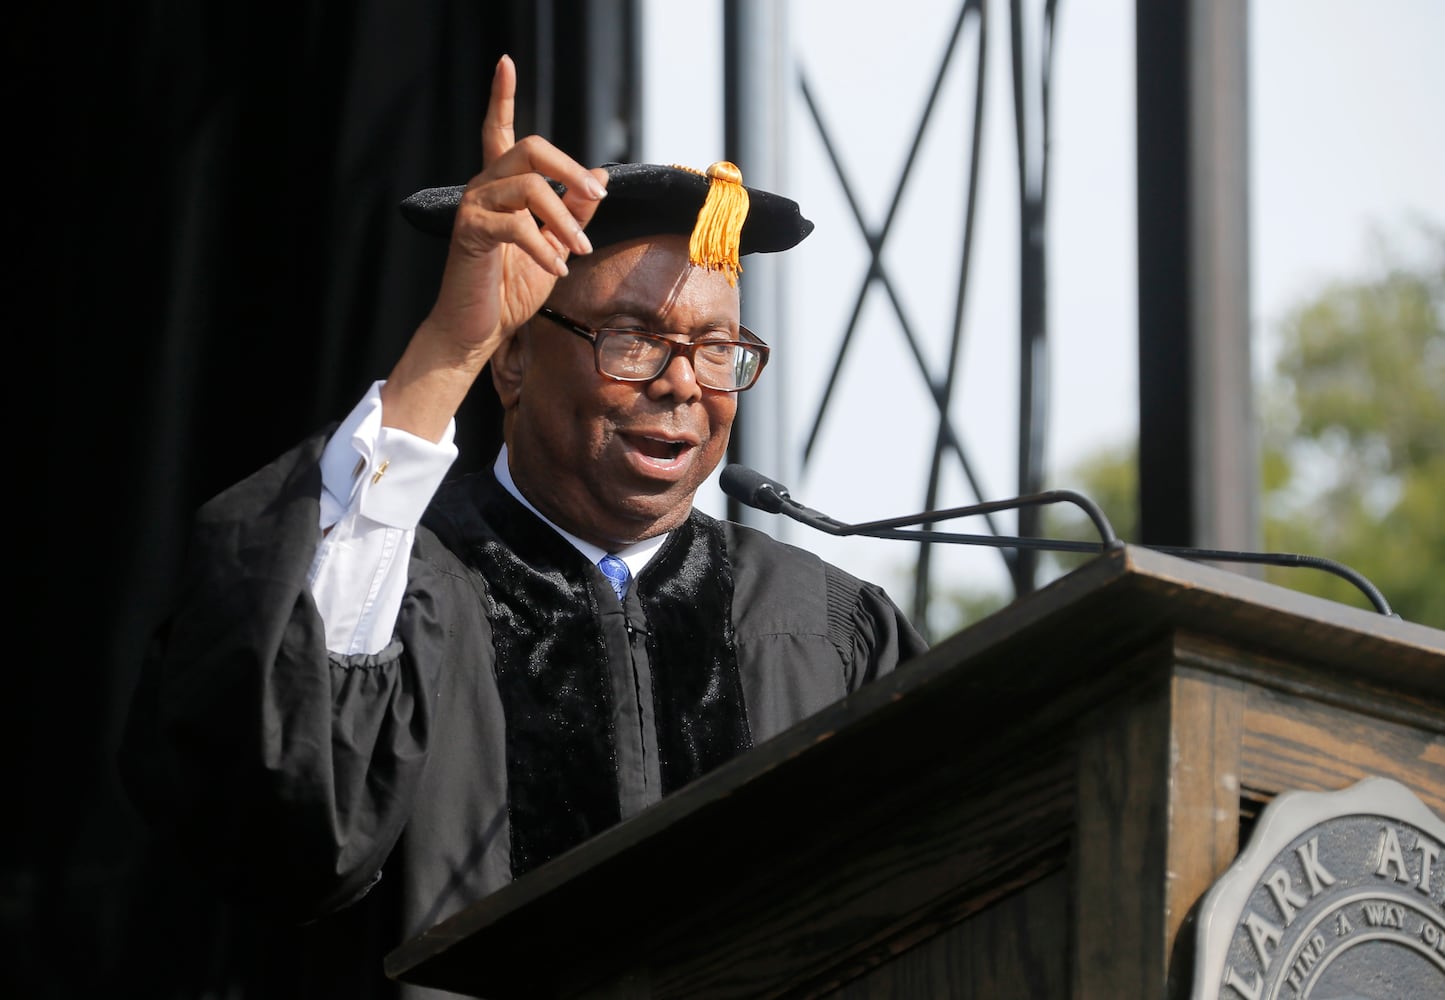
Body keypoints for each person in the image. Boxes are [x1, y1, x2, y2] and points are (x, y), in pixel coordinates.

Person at [119, 54, 926, 998]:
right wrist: (447, 349)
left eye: (717, 349)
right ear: (511, 363)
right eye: (630, 340)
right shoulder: (387, 588)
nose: (681, 383)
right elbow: (279, 828)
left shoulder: (824, 627)